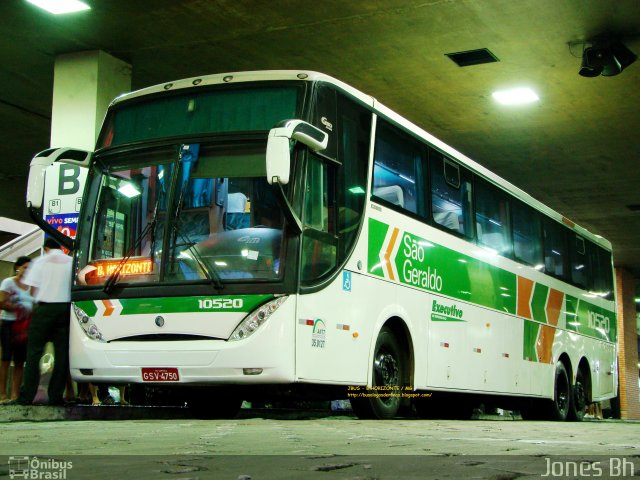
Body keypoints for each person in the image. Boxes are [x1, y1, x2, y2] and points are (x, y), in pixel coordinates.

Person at [12, 239, 72, 406]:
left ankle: (27, 396)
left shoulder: (40, 261)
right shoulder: (71, 262)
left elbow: (32, 289)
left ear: (46, 248)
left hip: (44, 310)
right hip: (65, 310)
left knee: (34, 353)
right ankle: (56, 397)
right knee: (62, 354)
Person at [0, 256, 33, 402]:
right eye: (25, 267)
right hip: (9, 324)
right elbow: (1, 302)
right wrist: (18, 308)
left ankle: (15, 395)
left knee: (20, 361)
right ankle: (2, 394)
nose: (27, 270)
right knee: (6, 359)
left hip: (24, 328)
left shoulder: (32, 286)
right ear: (17, 267)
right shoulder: (8, 282)